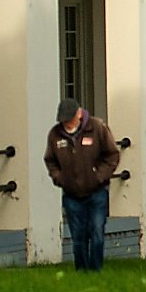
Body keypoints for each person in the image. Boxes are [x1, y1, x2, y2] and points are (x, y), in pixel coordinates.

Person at [45, 97, 121, 271]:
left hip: (97, 192)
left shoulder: (97, 127)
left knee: (96, 233)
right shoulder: (55, 134)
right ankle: (81, 270)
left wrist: (99, 176)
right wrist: (59, 177)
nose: (67, 124)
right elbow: (50, 160)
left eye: (70, 119)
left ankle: (96, 270)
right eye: (64, 120)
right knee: (78, 237)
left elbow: (112, 155)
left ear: (79, 114)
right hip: (71, 194)